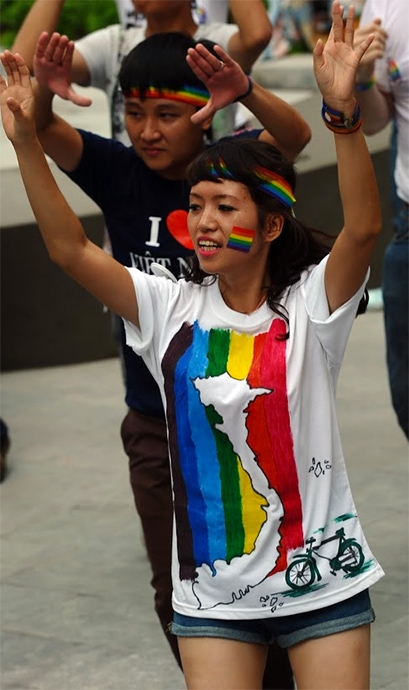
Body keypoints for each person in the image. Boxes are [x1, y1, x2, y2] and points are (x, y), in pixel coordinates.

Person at [0, 3, 385, 687]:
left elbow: (360, 230)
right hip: (215, 597)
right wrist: (27, 137)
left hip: (320, 580)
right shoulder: (166, 306)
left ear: (270, 226)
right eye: (195, 205)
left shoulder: (309, 307)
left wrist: (343, 116)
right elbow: (66, 249)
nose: (203, 222)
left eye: (224, 206)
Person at [12, 0, 273, 142]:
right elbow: (25, 61)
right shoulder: (115, 43)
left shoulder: (215, 42)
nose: (149, 132)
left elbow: (257, 35)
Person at [354, 0, 408, 439]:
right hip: (408, 223)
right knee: (406, 394)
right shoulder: (387, 8)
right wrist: (362, 79)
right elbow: (377, 121)